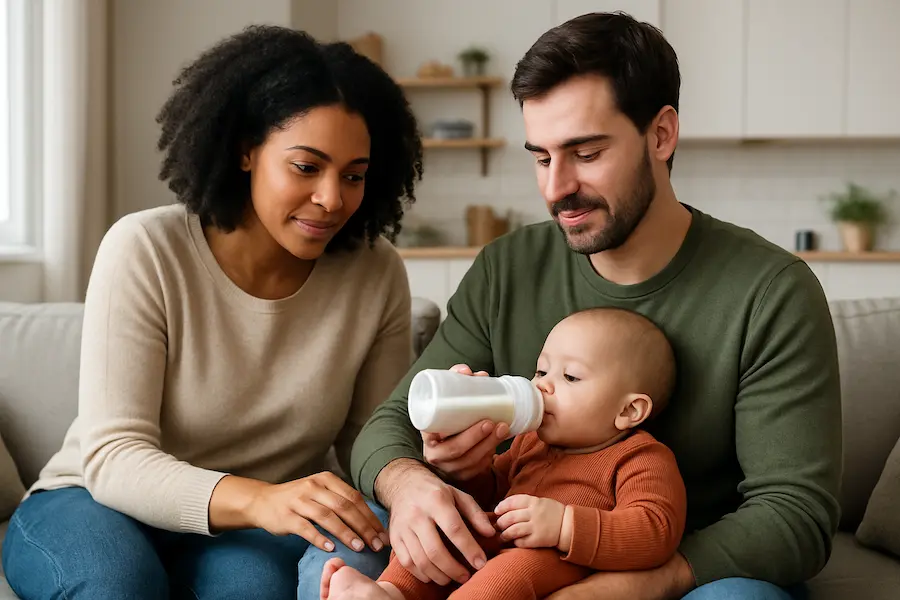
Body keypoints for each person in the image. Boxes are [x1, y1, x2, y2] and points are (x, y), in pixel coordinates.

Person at [346, 11, 843, 600]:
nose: (556, 188)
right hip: (515, 547)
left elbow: (796, 517)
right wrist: (412, 484)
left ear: (661, 135)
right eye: (540, 157)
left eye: (585, 153)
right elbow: (389, 425)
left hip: (687, 572)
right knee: (340, 553)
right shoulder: (507, 268)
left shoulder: (770, 291)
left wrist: (636, 584)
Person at [1, 25, 423, 600]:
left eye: (354, 175)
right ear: (246, 150)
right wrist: (259, 497)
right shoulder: (147, 247)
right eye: (306, 167)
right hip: (94, 502)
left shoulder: (376, 273)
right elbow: (114, 457)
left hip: (253, 525)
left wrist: (425, 466)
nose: (332, 199)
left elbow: (371, 443)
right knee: (115, 585)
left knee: (253, 591)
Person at [321, 307, 688, 600]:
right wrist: (474, 471)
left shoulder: (640, 458)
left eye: (570, 377)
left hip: (557, 558)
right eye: (541, 369)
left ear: (629, 411)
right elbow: (494, 490)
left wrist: (563, 526)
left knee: (509, 574)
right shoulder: (531, 441)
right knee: (438, 531)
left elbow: (656, 530)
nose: (542, 384)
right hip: (496, 538)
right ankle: (391, 593)